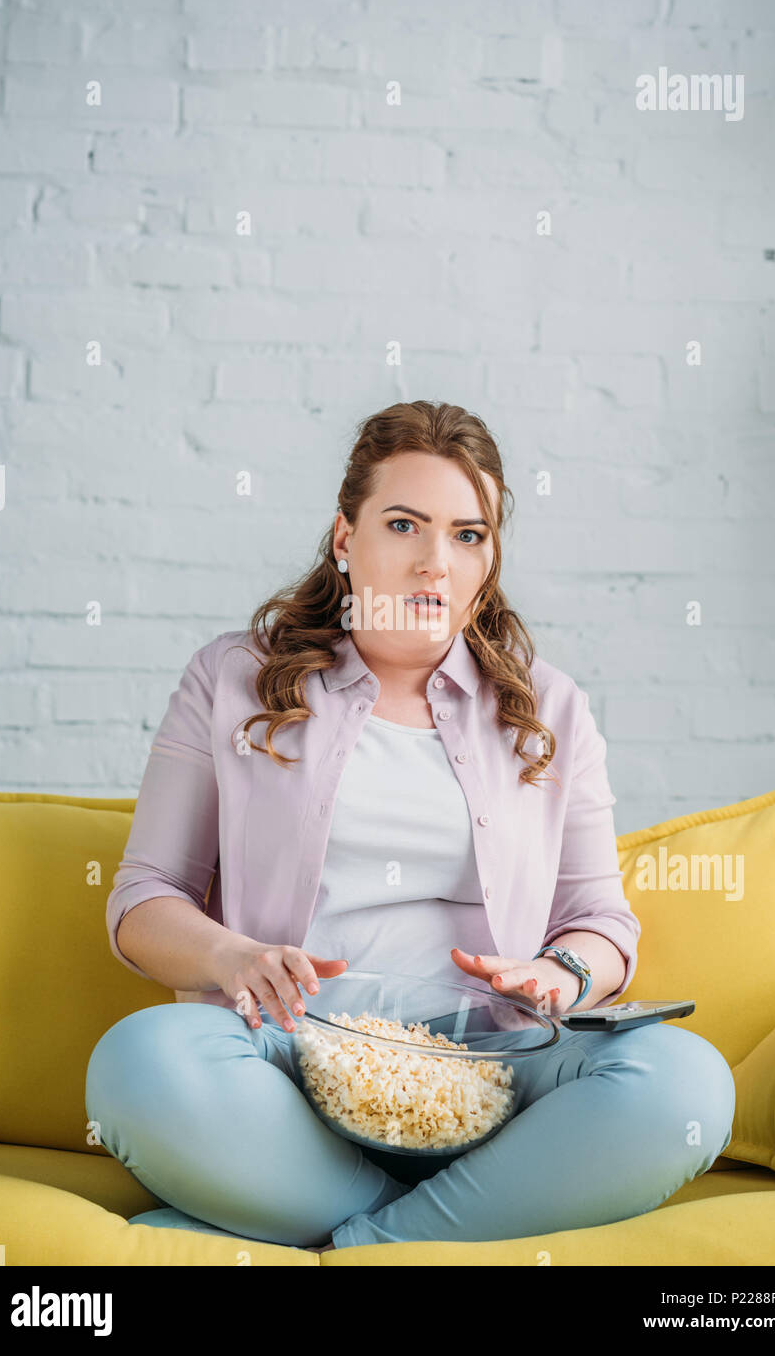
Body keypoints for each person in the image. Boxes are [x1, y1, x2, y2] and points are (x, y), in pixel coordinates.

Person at [85, 400, 735, 1253]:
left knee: (683, 1082)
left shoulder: (550, 709)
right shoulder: (233, 681)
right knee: (142, 1060)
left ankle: (364, 1245)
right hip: (288, 1057)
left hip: (497, 1065)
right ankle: (459, 1222)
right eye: (404, 525)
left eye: (468, 534)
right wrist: (232, 958)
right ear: (345, 539)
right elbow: (143, 897)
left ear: (489, 558)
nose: (435, 562)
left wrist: (559, 976)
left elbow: (601, 924)